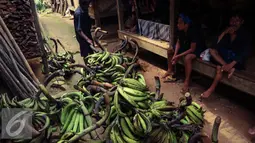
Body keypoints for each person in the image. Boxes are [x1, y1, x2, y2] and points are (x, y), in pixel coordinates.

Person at [201, 13, 251, 98]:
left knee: (219, 68)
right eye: (232, 20)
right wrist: (224, 33)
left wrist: (231, 65)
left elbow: (243, 53)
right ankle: (227, 67)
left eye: (237, 21)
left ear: (242, 22)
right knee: (212, 51)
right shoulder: (226, 32)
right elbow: (215, 46)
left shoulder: (245, 35)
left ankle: (211, 89)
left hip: (235, 61)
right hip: (224, 60)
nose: (234, 23)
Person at [163, 13, 205, 93]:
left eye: (180, 23)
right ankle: (170, 70)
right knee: (170, 51)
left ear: (186, 24)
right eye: (177, 23)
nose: (178, 25)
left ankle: (187, 80)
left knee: (187, 58)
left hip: (196, 50)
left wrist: (178, 55)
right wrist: (175, 55)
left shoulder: (193, 31)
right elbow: (178, 43)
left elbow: (192, 49)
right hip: (185, 47)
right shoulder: (180, 31)